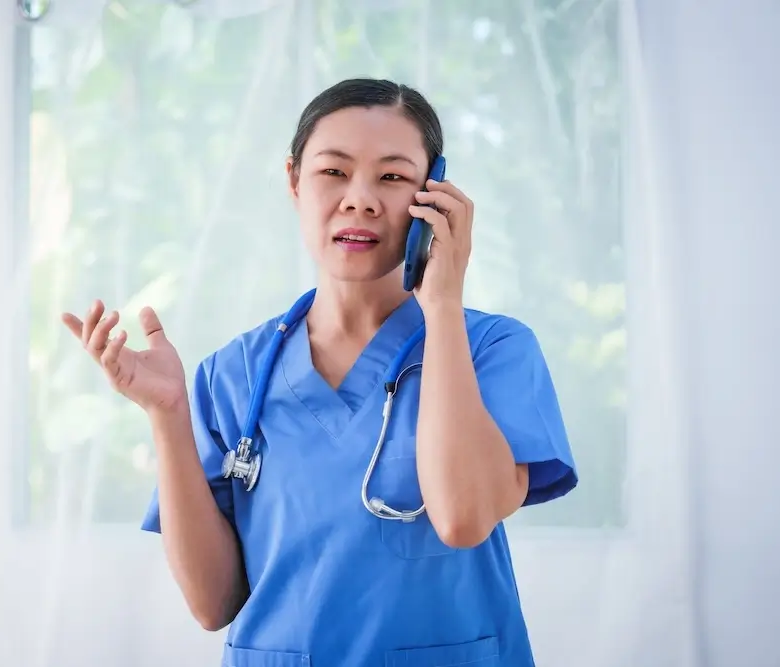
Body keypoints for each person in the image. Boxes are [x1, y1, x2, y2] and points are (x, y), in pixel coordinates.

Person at [62, 78, 577, 667]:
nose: (360, 199)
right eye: (334, 171)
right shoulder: (230, 375)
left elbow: (461, 519)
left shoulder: (493, 350)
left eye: (392, 176)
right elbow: (212, 603)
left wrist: (442, 305)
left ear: (433, 193)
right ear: (293, 181)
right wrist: (168, 415)